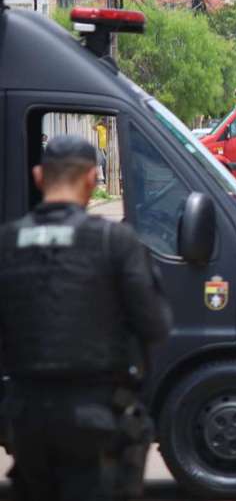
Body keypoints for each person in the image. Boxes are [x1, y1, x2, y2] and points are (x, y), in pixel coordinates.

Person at [0, 136, 173, 500]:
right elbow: (155, 325)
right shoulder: (115, 242)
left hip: (25, 421)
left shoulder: (7, 243)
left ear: (37, 177)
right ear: (93, 179)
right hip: (98, 421)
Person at [95, 119, 108, 184]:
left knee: (108, 164)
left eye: (106, 122)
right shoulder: (101, 128)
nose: (105, 123)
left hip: (110, 148)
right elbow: (93, 127)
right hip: (102, 148)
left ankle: (107, 179)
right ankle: (105, 180)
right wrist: (99, 121)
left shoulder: (110, 129)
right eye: (104, 122)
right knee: (103, 163)